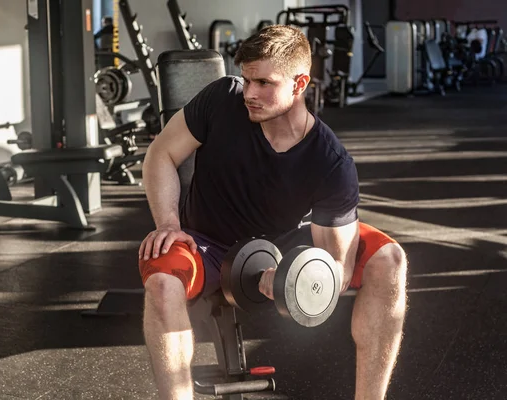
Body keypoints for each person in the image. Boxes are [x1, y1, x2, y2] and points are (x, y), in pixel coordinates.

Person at [139, 25, 408, 400]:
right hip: (205, 243)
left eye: (264, 83)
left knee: (390, 259)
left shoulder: (330, 161)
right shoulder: (221, 99)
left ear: (299, 84)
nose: (250, 93)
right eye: (248, 79)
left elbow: (337, 268)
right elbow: (161, 154)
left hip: (285, 248)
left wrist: (292, 276)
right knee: (161, 279)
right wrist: (168, 223)